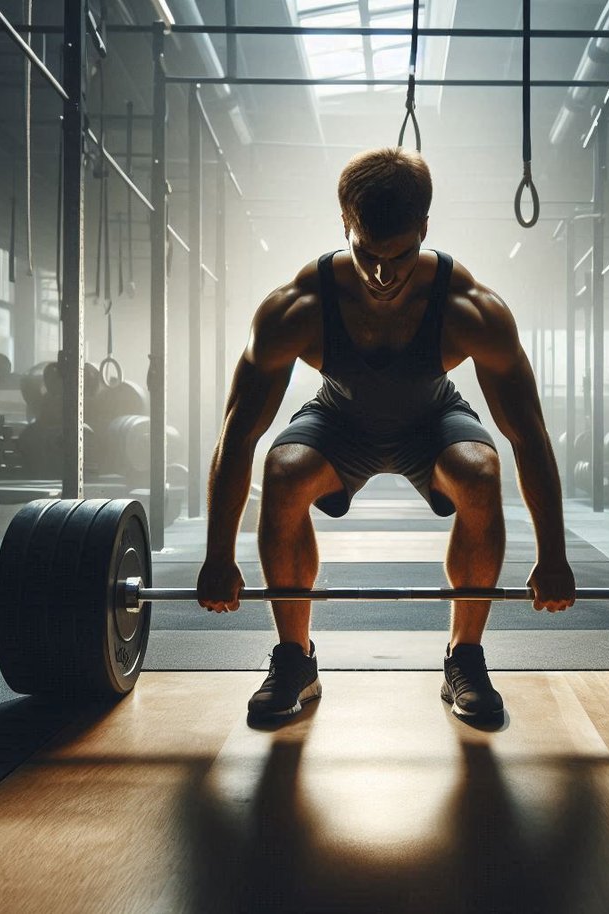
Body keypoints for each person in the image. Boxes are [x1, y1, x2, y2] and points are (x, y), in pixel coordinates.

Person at [196, 146, 575, 723]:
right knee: (282, 470)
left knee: (480, 470)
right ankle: (295, 658)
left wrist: (554, 555)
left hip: (432, 420)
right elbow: (236, 436)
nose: (381, 274)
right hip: (339, 419)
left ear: (424, 228)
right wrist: (218, 555)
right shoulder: (295, 308)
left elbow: (529, 436)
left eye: (398, 256)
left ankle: (465, 658)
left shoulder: (469, 308)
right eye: (366, 253)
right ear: (343, 224)